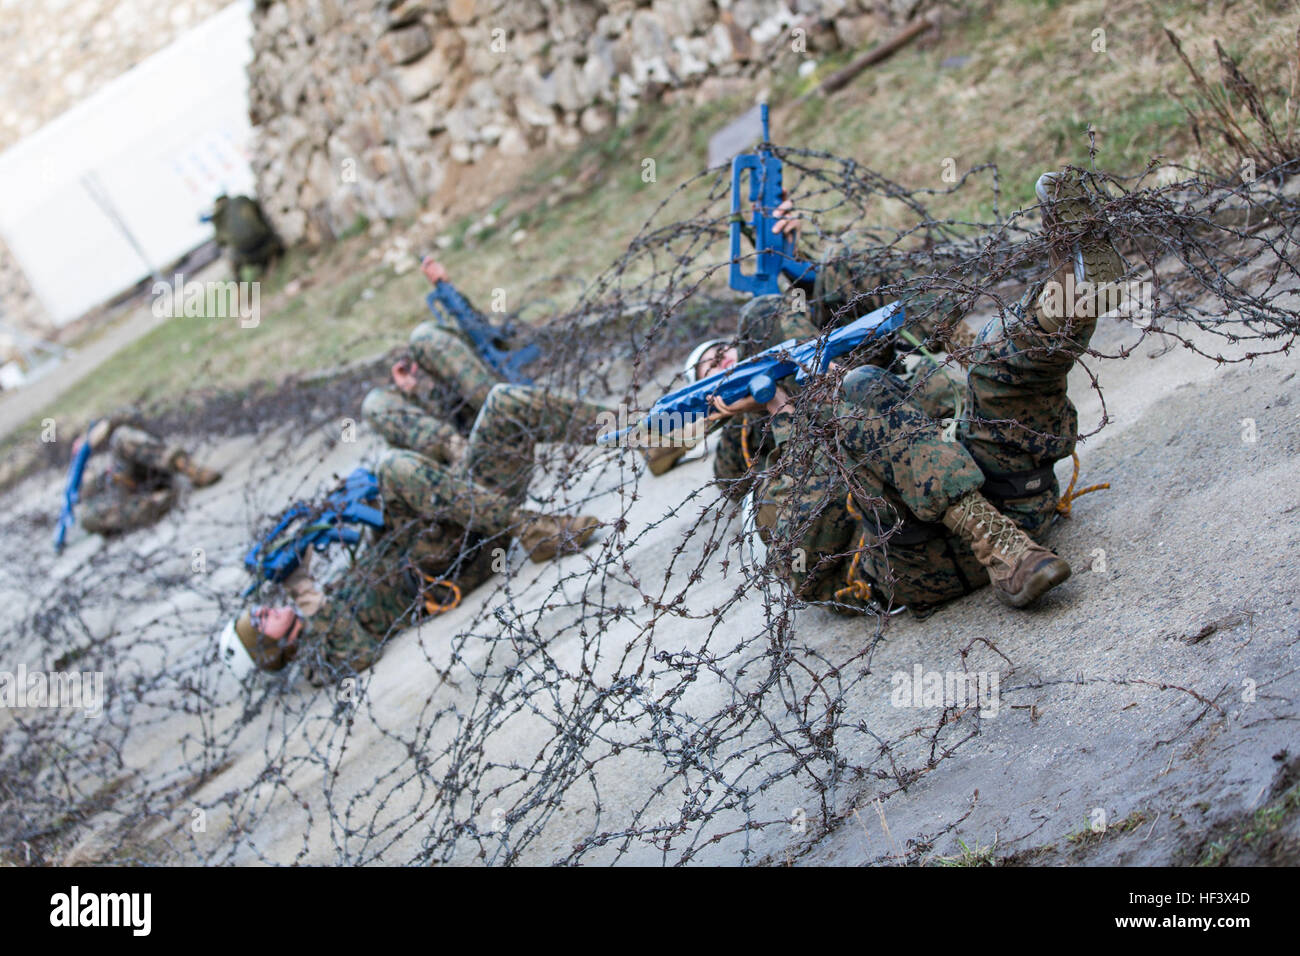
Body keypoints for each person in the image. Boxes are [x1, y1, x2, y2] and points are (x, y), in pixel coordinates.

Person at [708, 169, 1124, 617]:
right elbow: (804, 551)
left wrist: (791, 261)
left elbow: (822, 325)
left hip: (1011, 491)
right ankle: (1000, 546)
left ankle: (1071, 293)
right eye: (711, 366)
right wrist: (779, 412)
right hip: (915, 557)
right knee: (852, 389)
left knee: (992, 375)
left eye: (724, 351)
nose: (723, 359)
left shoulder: (868, 380)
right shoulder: (753, 455)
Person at [360, 257, 502, 464]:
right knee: (373, 403)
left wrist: (450, 289)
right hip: (454, 439)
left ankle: (503, 415)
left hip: (487, 397)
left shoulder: (440, 340)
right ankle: (463, 457)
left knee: (424, 336)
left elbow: (490, 337)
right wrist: (413, 391)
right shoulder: (422, 376)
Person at [75, 410, 222, 536]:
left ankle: (189, 468)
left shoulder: (103, 435)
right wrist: (87, 481)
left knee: (121, 436)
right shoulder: (79, 480)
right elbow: (90, 509)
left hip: (148, 466)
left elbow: (135, 416)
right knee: (88, 517)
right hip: (127, 495)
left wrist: (108, 424)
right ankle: (153, 504)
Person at [208, 194, 283, 277]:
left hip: (245, 254)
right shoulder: (241, 199)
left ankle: (239, 285)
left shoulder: (219, 216)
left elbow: (220, 242)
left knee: (226, 252)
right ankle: (272, 260)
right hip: (266, 243)